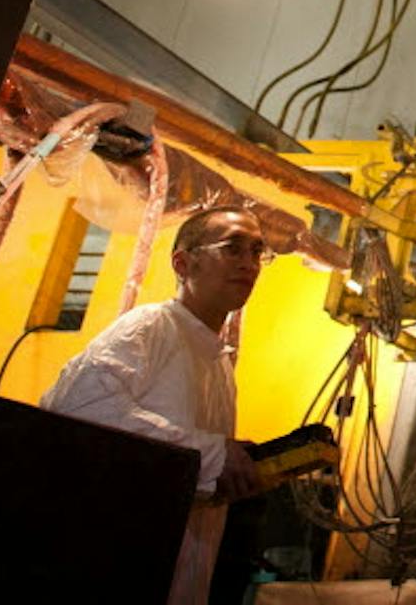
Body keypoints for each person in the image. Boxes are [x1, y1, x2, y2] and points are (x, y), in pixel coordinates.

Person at [42, 206, 270, 604]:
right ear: (184, 263)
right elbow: (79, 411)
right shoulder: (150, 326)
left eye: (256, 252)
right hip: (109, 569)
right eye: (232, 249)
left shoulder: (219, 366)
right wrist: (215, 455)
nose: (249, 264)